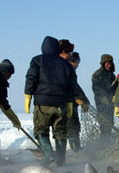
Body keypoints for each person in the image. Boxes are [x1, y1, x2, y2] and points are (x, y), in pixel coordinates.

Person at [25, 35, 77, 166]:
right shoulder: (66, 64)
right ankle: (61, 162)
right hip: (61, 104)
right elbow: (72, 85)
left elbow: (31, 78)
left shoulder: (38, 60)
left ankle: (48, 155)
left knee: (40, 130)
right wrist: (70, 102)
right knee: (60, 132)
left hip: (43, 102)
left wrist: (28, 95)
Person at [66, 52, 90, 155]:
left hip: (72, 103)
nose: (77, 66)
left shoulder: (71, 72)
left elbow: (76, 87)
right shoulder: (66, 71)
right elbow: (70, 87)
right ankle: (75, 150)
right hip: (67, 103)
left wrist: (84, 99)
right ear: (72, 62)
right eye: (77, 63)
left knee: (75, 126)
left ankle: (77, 148)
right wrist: (77, 98)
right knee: (71, 126)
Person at [92, 54, 116, 144]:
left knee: (110, 122)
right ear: (103, 63)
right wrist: (102, 97)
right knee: (103, 123)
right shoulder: (97, 75)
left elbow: (115, 87)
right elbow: (96, 88)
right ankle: (104, 142)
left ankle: (107, 140)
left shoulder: (112, 75)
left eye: (110, 63)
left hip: (111, 102)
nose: (109, 65)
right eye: (107, 63)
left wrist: (114, 96)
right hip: (101, 103)